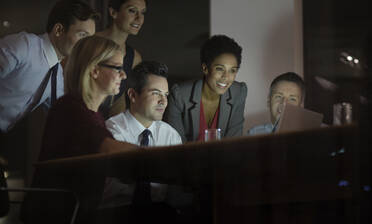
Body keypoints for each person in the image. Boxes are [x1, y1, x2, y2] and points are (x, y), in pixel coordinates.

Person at [21, 36, 139, 224]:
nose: (124, 75)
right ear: (94, 70)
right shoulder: (69, 108)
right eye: (117, 68)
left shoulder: (94, 114)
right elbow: (108, 148)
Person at [0, 0, 99, 133]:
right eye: (82, 35)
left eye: (90, 39)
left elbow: (64, 118)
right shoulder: (24, 46)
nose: (86, 45)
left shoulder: (56, 76)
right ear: (58, 30)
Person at [104, 61, 183, 223]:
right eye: (156, 93)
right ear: (133, 95)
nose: (163, 101)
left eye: (165, 95)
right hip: (116, 212)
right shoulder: (113, 130)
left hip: (159, 212)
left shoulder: (170, 135)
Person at [164, 34, 247, 142]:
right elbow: (176, 145)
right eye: (220, 69)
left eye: (232, 70)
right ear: (205, 68)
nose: (226, 77)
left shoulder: (238, 92)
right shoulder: (179, 95)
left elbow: (233, 143)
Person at [97, 0, 147, 118]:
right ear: (113, 12)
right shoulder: (90, 44)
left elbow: (119, 105)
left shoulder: (134, 58)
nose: (139, 18)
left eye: (142, 13)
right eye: (132, 11)